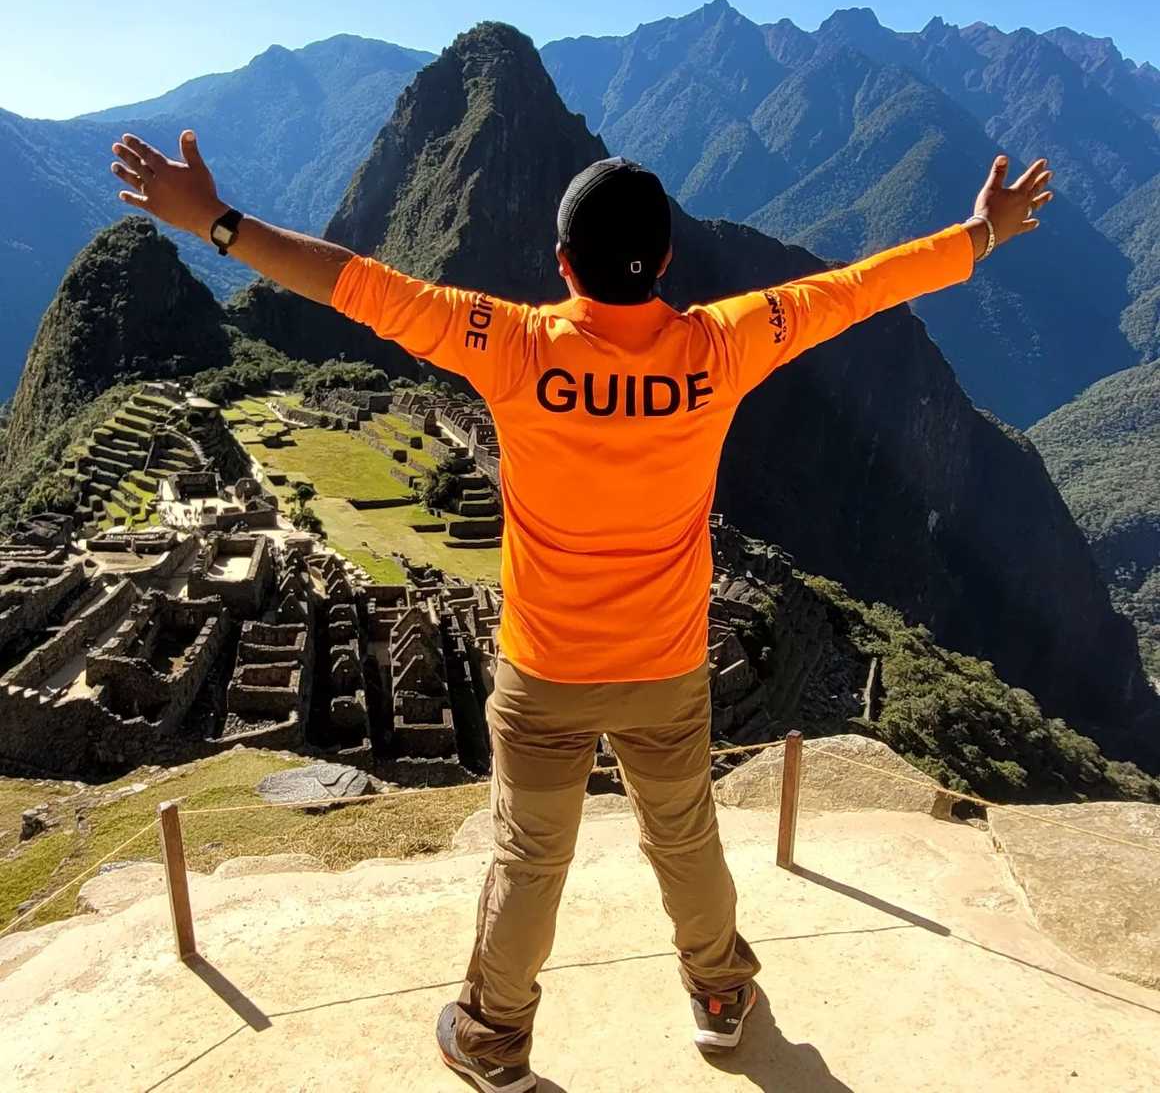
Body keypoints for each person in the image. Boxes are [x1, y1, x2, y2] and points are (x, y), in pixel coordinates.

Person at [110, 131, 1053, 1093]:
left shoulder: (511, 344)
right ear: (668, 260)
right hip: (668, 668)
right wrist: (981, 235)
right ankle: (721, 999)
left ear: (562, 264)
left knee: (529, 858)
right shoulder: (723, 343)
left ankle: (492, 1035)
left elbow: (353, 283)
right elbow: (858, 288)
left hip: (547, 671)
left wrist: (214, 223)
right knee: (684, 837)